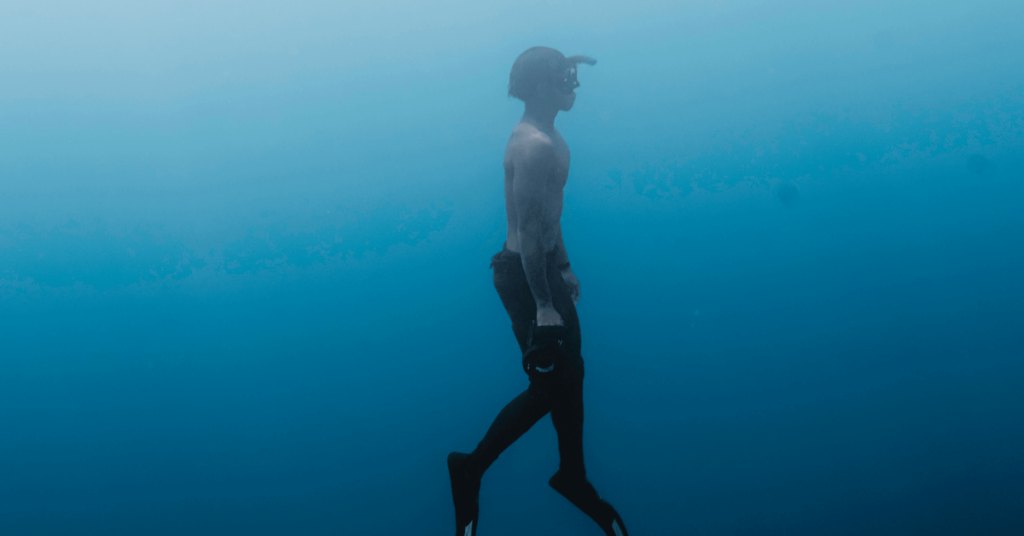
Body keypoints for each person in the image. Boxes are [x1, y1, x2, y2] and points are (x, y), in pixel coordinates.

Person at [447, 46, 629, 536]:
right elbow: (527, 232)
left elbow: (551, 216)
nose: (571, 85)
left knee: (573, 373)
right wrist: (545, 303)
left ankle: (572, 475)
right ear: (537, 85)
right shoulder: (534, 146)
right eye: (562, 77)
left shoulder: (554, 139)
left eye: (571, 75)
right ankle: (470, 467)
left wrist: (564, 265)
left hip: (544, 270)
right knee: (549, 385)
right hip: (525, 277)